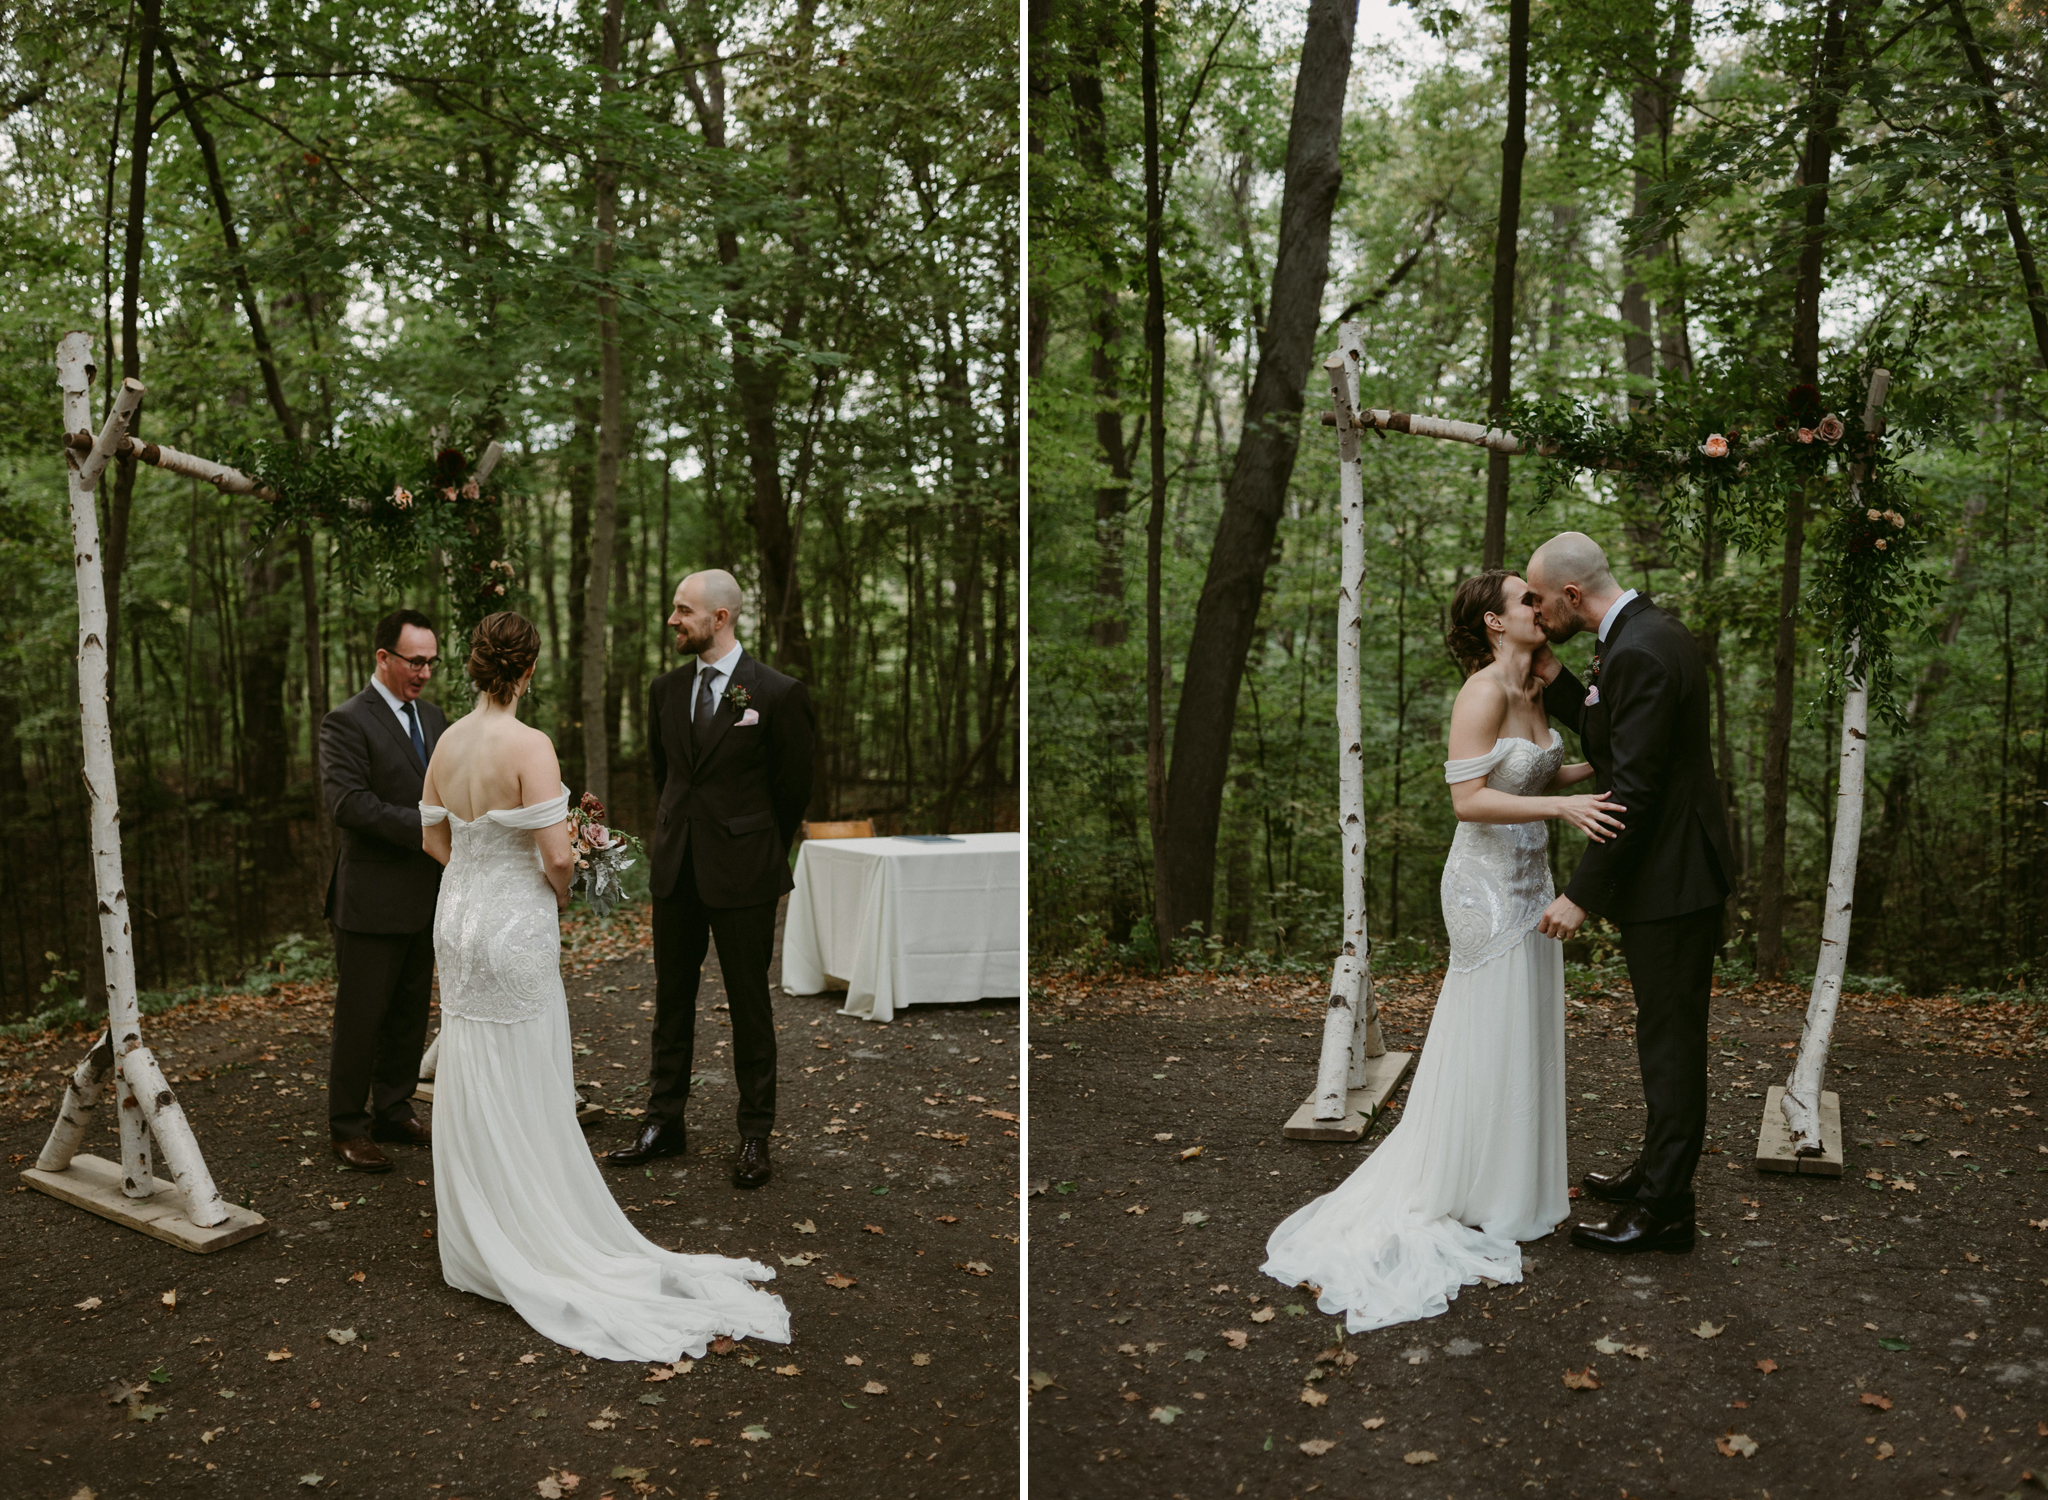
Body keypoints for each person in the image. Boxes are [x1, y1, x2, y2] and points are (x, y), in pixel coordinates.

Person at [418, 611, 788, 1361]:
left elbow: (432, 837)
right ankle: (536, 1228)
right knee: (524, 1060)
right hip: (513, 925)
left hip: (454, 922)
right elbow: (556, 856)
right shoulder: (530, 745)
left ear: (471, 666)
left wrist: (473, 877)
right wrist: (561, 881)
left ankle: (478, 1234)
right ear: (526, 672)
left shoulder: (448, 739)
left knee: (470, 1058)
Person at [1262, 569, 1622, 1331]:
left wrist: (1600, 773)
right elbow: (1468, 800)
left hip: (1532, 880)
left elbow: (1540, 769)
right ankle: (1462, 1186)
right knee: (1486, 1025)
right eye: (1526, 599)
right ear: (1494, 623)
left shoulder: (1532, 693)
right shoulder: (1484, 691)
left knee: (1522, 1026)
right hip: (1484, 890)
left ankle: (1507, 1184)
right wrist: (1564, 803)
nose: (1541, 606)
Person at [1526, 531, 1736, 1254]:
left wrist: (1581, 894)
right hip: (1669, 872)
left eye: (1540, 598)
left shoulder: (1641, 650)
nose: (1535, 608)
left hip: (1674, 876)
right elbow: (1615, 742)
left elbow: (1634, 790)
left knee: (1671, 1046)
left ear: (1573, 596)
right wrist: (1554, 678)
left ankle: (1668, 1210)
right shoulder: (1644, 634)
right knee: (1662, 1037)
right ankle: (1655, 1171)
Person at [608, 570, 814, 1189]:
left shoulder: (776, 693)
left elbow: (793, 789)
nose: (673, 620)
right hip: (676, 868)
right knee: (670, 1003)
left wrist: (755, 850)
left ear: (720, 618)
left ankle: (755, 1135)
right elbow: (664, 771)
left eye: (683, 610)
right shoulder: (664, 690)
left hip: (744, 874)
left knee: (750, 1008)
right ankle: (663, 1122)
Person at [319, 608, 447, 1172]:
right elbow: (348, 805)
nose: (423, 672)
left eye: (430, 663)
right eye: (414, 661)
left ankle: (394, 1109)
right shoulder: (345, 721)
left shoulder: (437, 719)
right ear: (383, 657)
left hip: (426, 896)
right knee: (361, 1019)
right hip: (370, 900)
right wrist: (426, 829)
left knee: (409, 1013)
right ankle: (348, 1125)